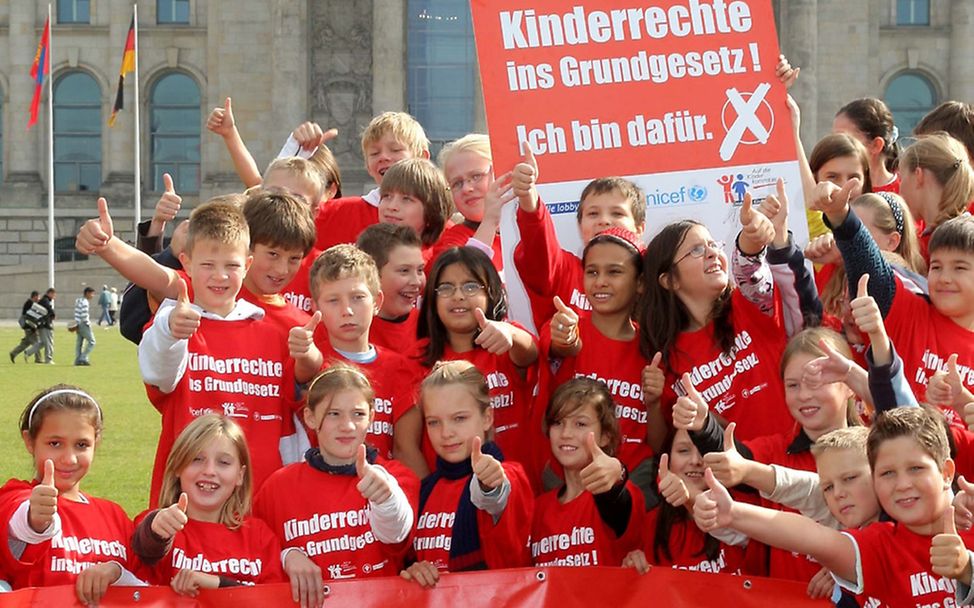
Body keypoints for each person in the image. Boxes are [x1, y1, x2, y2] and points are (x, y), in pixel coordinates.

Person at [75, 198, 315, 505]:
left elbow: (309, 390)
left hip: (261, 496)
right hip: (188, 496)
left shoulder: (296, 325)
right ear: (189, 263)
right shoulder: (192, 304)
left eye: (293, 258)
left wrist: (309, 356)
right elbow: (157, 275)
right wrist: (108, 246)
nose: (220, 274)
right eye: (273, 254)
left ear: (245, 263)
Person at [693, 406, 974, 608]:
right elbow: (810, 536)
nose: (902, 484)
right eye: (887, 473)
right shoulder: (878, 546)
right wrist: (734, 513)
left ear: (947, 472)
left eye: (915, 469)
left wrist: (967, 569)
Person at [640, 187, 818, 442]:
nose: (712, 253)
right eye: (696, 251)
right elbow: (668, 443)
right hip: (743, 475)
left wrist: (751, 238)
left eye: (713, 245)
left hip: (806, 455)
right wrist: (654, 403)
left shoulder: (747, 304)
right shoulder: (667, 359)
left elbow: (750, 272)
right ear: (669, 280)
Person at [253, 365, 418, 608]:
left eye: (358, 414)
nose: (347, 426)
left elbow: (396, 537)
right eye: (333, 414)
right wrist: (286, 557)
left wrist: (386, 499)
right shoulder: (276, 487)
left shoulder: (395, 477)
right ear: (310, 417)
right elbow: (252, 555)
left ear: (372, 416)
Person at [543, 227, 662, 501]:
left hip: (634, 491)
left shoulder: (653, 348)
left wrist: (654, 402)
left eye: (614, 272)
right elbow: (562, 345)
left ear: (641, 282)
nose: (601, 282)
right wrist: (565, 339)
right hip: (566, 488)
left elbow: (658, 444)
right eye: (592, 272)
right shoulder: (566, 327)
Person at [0, 386, 143, 603]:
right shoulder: (16, 498)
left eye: (81, 445)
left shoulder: (114, 515)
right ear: (29, 441)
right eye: (55, 444)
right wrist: (36, 519)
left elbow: (144, 593)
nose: (69, 458)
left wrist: (117, 572)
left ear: (97, 443)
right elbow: (19, 524)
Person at [400, 361, 533, 588]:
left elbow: (495, 495)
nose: (446, 433)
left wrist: (491, 483)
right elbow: (409, 561)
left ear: (487, 418)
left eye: (459, 418)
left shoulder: (508, 474)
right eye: (434, 422)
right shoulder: (425, 490)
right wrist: (414, 571)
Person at [298, 244, 427, 477]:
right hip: (324, 498)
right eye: (333, 300)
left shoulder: (402, 369)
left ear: (377, 301)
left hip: (382, 495)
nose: (347, 310)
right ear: (315, 306)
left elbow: (405, 449)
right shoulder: (313, 365)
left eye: (357, 297)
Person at [132, 415, 285, 595]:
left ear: (240, 475)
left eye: (224, 462)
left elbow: (272, 600)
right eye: (197, 459)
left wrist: (215, 584)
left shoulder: (258, 537)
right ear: (177, 467)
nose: (210, 471)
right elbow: (146, 550)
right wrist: (156, 532)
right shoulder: (160, 524)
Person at [417, 247, 539, 465]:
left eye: (471, 286)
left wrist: (509, 333)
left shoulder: (504, 343)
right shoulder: (418, 359)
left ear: (490, 292)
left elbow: (530, 353)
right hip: (449, 488)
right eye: (445, 288)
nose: (458, 296)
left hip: (512, 485)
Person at [513, 155, 646, 329]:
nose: (604, 221)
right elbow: (538, 242)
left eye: (617, 213)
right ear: (580, 225)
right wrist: (528, 198)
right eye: (593, 214)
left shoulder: (652, 272)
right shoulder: (561, 270)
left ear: (639, 228)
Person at [531, 378, 645, 567]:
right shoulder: (538, 508)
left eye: (580, 424)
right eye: (558, 422)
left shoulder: (615, 497)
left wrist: (618, 472)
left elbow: (615, 497)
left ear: (606, 436)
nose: (566, 433)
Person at [312, 111, 431, 251]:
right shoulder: (340, 213)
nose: (384, 157)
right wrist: (295, 151)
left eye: (395, 150)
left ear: (422, 157)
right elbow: (287, 222)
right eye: (375, 153)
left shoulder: (438, 222)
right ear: (368, 166)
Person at [432, 133, 505, 271]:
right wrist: (489, 222)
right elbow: (460, 277)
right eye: (457, 183)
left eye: (476, 176)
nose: (466, 189)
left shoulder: (529, 227)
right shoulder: (452, 241)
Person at [355, 224, 426, 354]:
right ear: (372, 274)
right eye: (404, 271)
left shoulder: (429, 327)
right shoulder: (344, 329)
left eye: (420, 270)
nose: (416, 281)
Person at [378, 158, 454, 266]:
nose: (392, 206)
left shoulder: (438, 261)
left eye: (406, 199)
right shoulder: (369, 251)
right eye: (387, 196)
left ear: (431, 210)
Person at [832, 97, 901, 193]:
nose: (834, 147)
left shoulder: (906, 191)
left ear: (876, 145)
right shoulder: (831, 188)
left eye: (846, 139)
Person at [24, 289, 56, 365]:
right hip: (45, 325)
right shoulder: (45, 300)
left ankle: (28, 352)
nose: (54, 297)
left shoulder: (43, 300)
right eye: (54, 295)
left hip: (41, 325)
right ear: (50, 293)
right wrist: (53, 315)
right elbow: (49, 310)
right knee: (49, 342)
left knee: (42, 343)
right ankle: (48, 359)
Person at [9, 291, 41, 364]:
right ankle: (38, 359)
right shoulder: (30, 304)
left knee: (25, 343)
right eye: (38, 297)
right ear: (34, 296)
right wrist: (34, 327)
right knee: (36, 343)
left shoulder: (30, 303)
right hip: (29, 327)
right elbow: (30, 317)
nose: (39, 298)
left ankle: (13, 353)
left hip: (27, 326)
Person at [73, 286, 96, 366]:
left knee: (79, 342)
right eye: (92, 294)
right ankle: (83, 358)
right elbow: (84, 314)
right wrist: (88, 323)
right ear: (87, 293)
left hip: (77, 323)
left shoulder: (78, 300)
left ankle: (77, 360)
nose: (92, 295)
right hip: (84, 324)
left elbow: (76, 313)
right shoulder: (85, 302)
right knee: (92, 342)